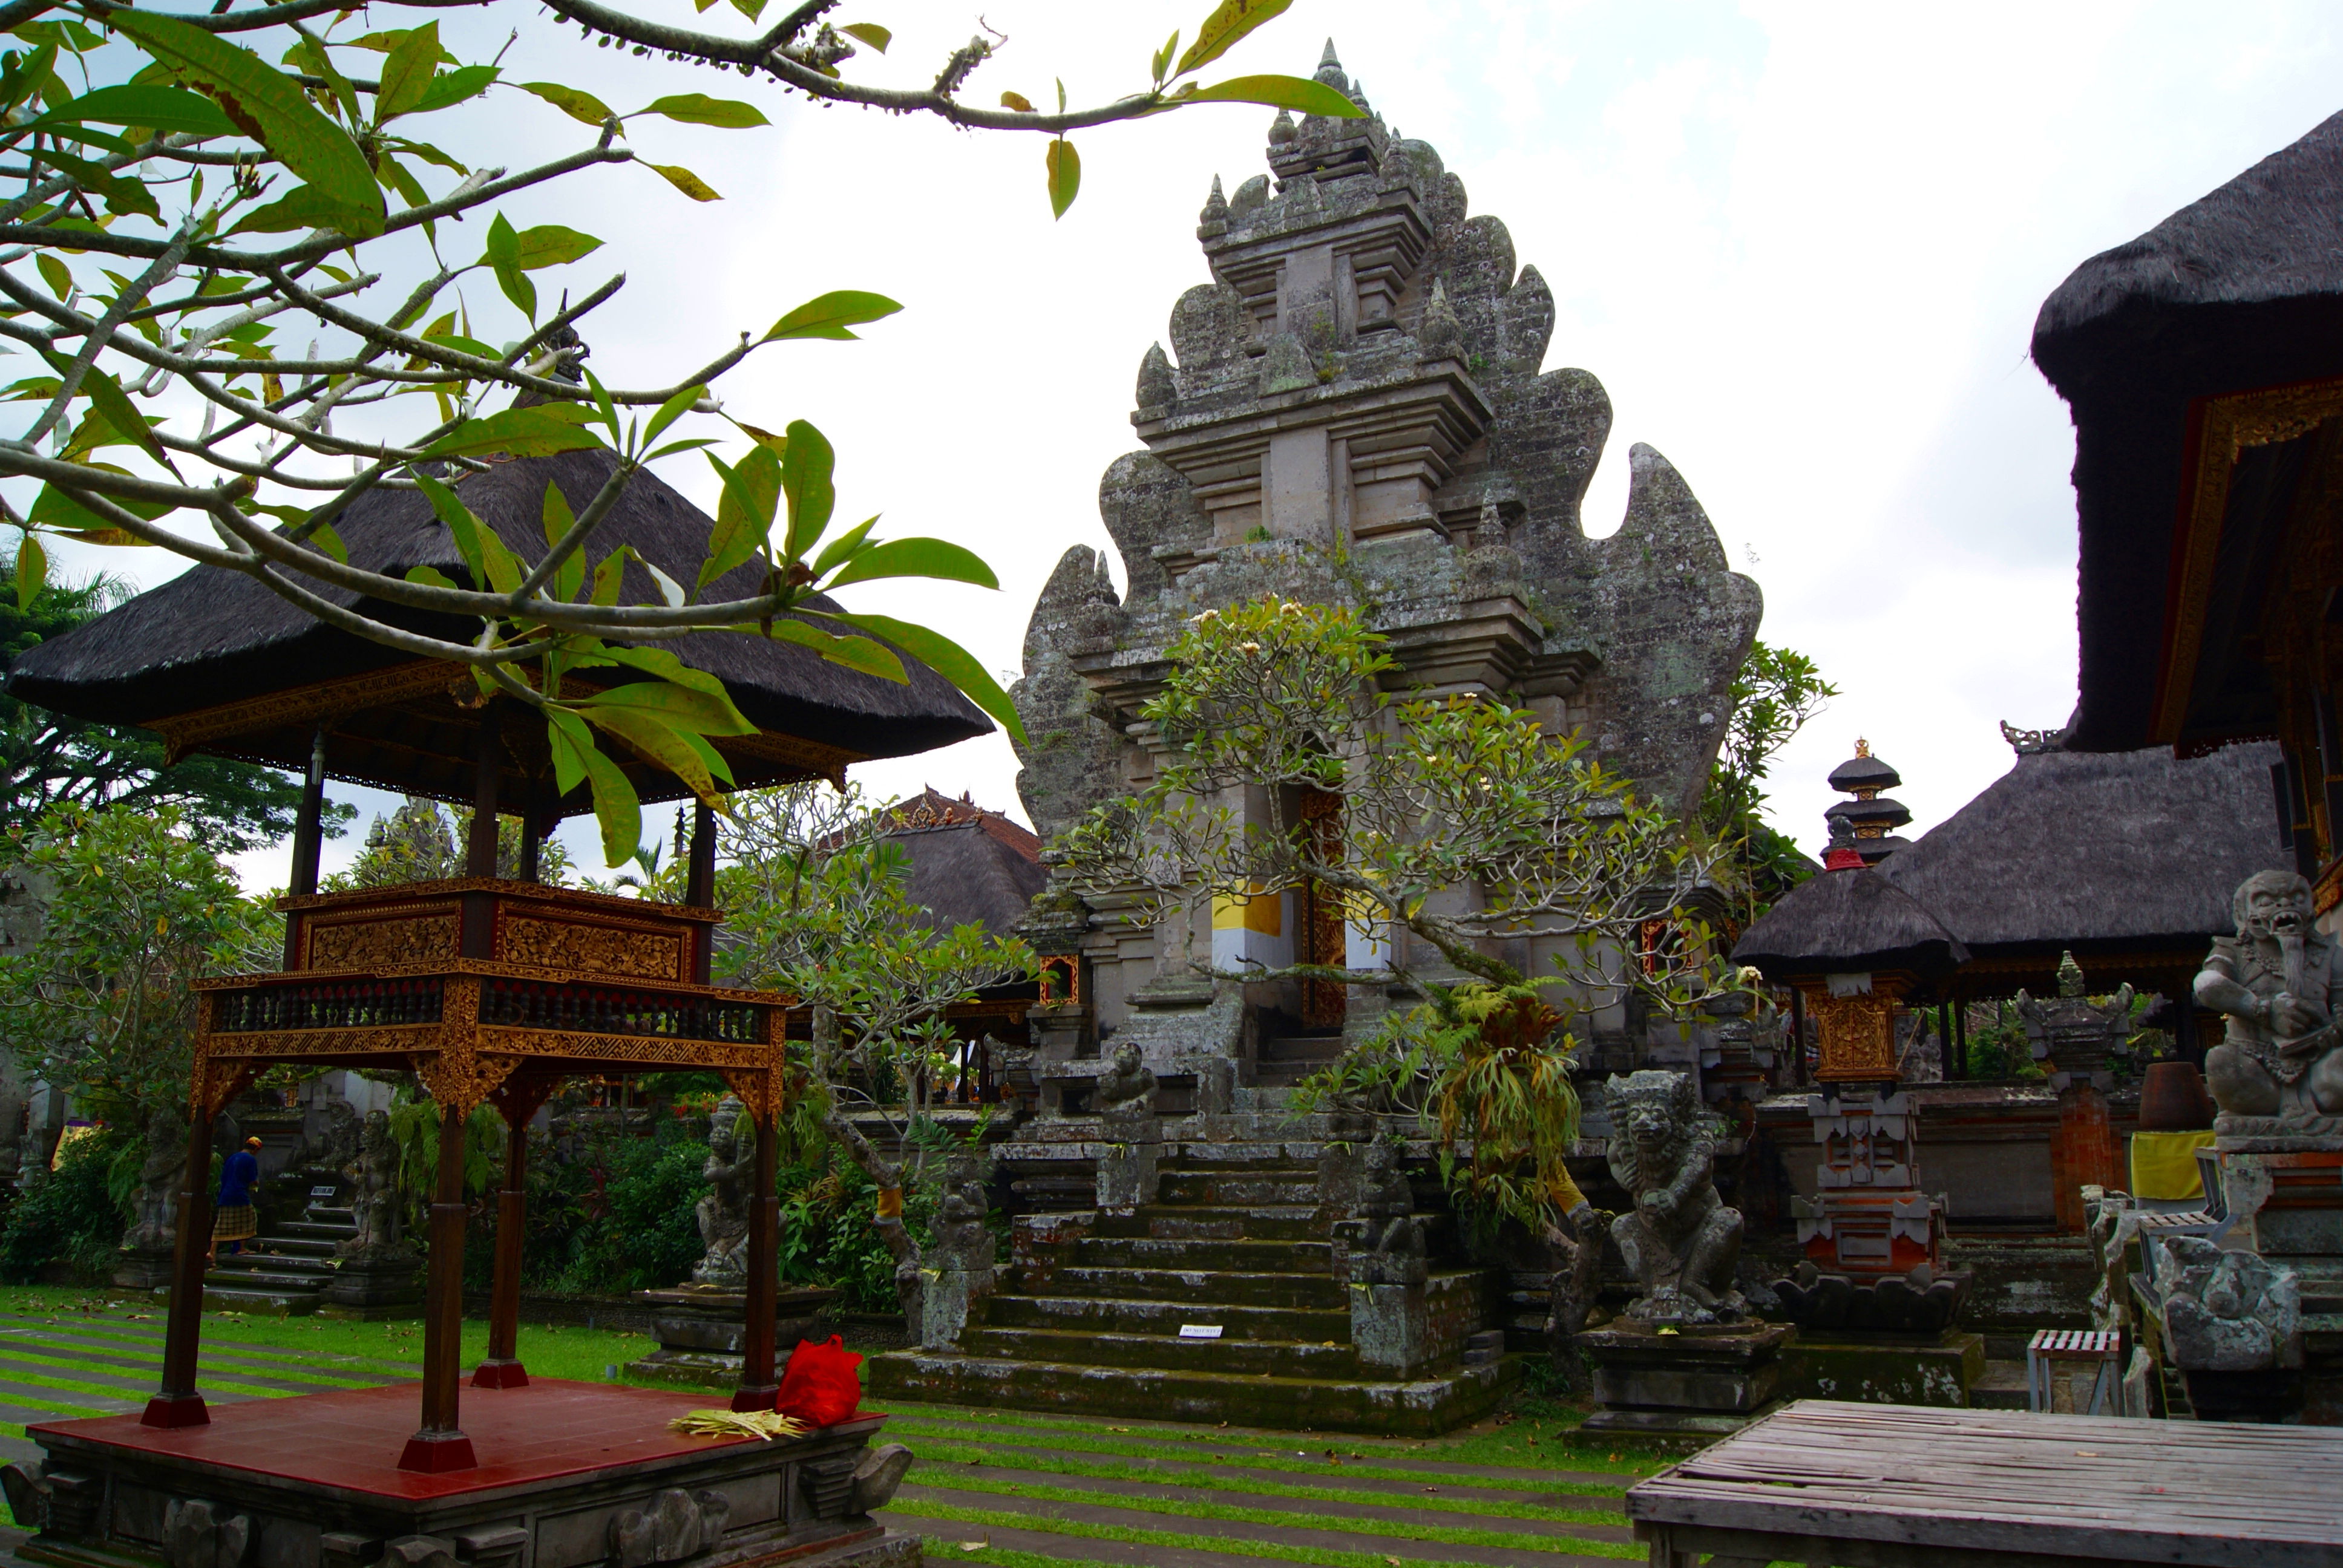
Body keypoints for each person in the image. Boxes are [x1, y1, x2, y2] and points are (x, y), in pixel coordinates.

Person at [209, 1135, 263, 1267]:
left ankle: (212, 1251)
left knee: (222, 1224)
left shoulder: (232, 1157)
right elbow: (253, 1180)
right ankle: (241, 1248)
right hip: (239, 1194)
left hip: (225, 1194)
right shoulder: (250, 1159)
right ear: (255, 1149)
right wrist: (255, 1184)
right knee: (250, 1218)